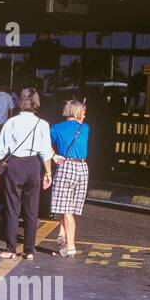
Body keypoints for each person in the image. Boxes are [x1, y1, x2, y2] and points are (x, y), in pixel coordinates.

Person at [0, 87, 53, 261]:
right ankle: (29, 250)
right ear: (36, 102)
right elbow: (46, 152)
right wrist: (48, 174)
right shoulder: (43, 124)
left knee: (12, 208)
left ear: (20, 102)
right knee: (32, 209)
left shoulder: (11, 123)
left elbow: (1, 150)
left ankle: (10, 248)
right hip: (33, 165)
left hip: (15, 165)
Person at [49, 99, 90, 258]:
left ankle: (70, 247)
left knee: (65, 211)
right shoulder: (85, 128)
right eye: (84, 112)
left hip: (66, 166)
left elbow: (43, 143)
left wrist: (53, 155)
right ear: (78, 112)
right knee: (69, 209)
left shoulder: (57, 128)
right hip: (83, 168)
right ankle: (62, 238)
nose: (85, 116)